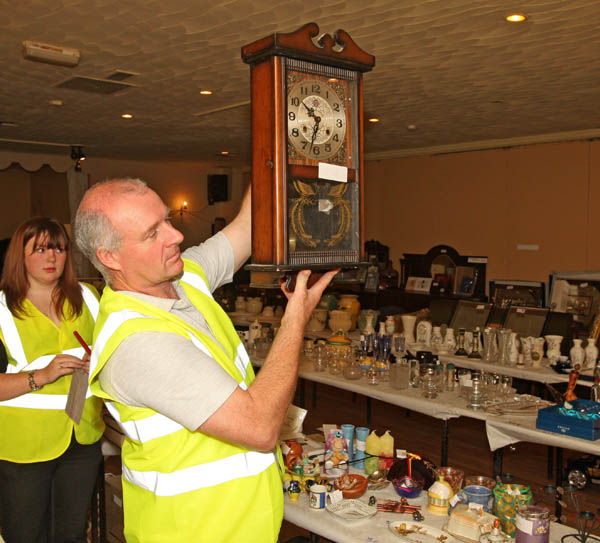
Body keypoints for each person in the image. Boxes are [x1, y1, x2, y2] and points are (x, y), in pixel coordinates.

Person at [74, 178, 337, 543]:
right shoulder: (137, 343)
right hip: (194, 531)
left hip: (246, 526)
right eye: (153, 233)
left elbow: (247, 224)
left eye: (166, 219)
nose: (175, 235)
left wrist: (278, 158)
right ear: (110, 257)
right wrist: (295, 320)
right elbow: (260, 428)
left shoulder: (185, 278)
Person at [0, 217, 104, 543]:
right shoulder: (2, 308)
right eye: (41, 249)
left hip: (82, 437)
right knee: (26, 535)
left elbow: (113, 353)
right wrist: (41, 376)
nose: (51, 258)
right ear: (21, 255)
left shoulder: (88, 297)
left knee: (71, 534)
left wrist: (99, 362)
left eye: (59, 249)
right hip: (24, 447)